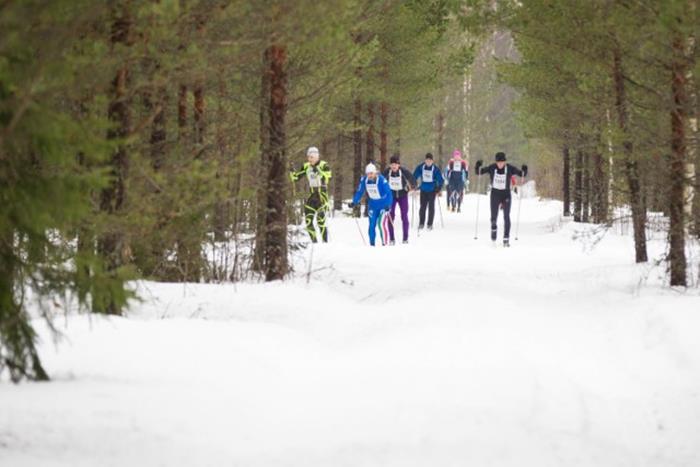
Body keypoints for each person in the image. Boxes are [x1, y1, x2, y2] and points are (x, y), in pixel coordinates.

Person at [475, 152, 528, 247]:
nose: (500, 164)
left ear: (505, 161)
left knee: (506, 216)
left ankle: (506, 238)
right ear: (496, 162)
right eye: (498, 162)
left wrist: (524, 170)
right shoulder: (492, 167)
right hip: (495, 194)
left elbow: (521, 174)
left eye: (502, 162)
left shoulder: (510, 168)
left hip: (506, 194)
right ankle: (494, 228)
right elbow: (479, 172)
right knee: (493, 217)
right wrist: (478, 166)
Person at [289, 146, 332, 243]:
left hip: (322, 195)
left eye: (312, 157)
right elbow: (295, 178)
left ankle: (325, 243)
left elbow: (328, 177)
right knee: (308, 221)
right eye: (308, 157)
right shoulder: (306, 166)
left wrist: (319, 171)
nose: (310, 159)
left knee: (321, 221)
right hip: (312, 196)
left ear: (317, 157)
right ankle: (315, 243)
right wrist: (291, 171)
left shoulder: (324, 164)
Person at [348, 163, 393, 246]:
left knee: (381, 224)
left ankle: (385, 244)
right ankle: (372, 244)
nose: (370, 175)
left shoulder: (382, 180)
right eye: (368, 174)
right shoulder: (364, 180)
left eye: (371, 173)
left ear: (375, 172)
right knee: (372, 225)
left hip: (383, 205)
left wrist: (388, 205)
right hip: (373, 205)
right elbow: (360, 192)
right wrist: (354, 202)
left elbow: (389, 193)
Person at [382, 155, 416, 244]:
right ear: (390, 165)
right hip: (391, 197)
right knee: (390, 216)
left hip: (402, 196)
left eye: (395, 164)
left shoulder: (403, 171)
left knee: (404, 216)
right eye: (392, 164)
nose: (394, 166)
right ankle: (392, 238)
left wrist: (413, 185)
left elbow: (412, 178)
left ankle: (405, 238)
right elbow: (380, 181)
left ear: (398, 165)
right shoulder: (387, 172)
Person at [413, 153, 444, 230]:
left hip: (432, 190)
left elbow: (441, 180)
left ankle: (430, 224)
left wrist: (438, 188)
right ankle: (421, 223)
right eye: (427, 160)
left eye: (430, 160)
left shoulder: (435, 169)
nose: (428, 162)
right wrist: (414, 183)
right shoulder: (421, 167)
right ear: (425, 160)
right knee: (422, 207)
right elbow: (415, 175)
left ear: (432, 161)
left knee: (431, 207)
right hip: (423, 189)